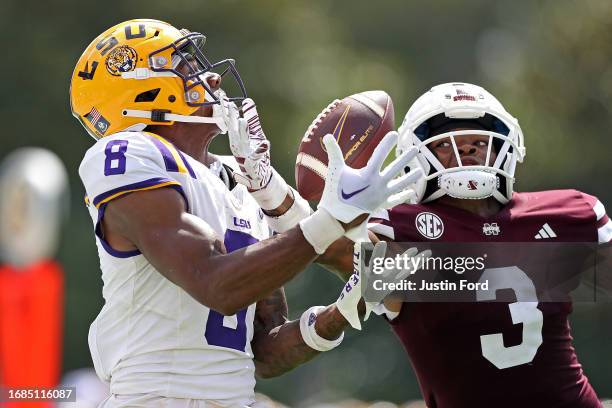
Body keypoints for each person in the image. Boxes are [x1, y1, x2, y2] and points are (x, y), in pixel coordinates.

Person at [69, 19, 422, 407]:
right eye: (187, 69)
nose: (212, 80)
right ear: (142, 92)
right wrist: (331, 218)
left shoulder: (238, 178)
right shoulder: (126, 155)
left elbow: (263, 350)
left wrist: (342, 311)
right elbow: (216, 285)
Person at [324, 82, 611, 408]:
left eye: (478, 141)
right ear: (414, 156)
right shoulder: (400, 229)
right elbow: (343, 255)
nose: (468, 151)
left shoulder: (569, 212)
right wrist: (342, 215)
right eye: (447, 144)